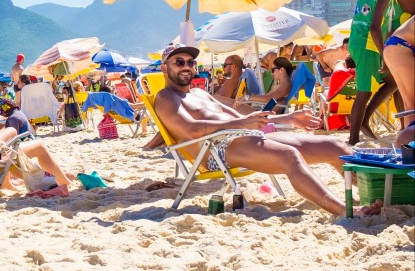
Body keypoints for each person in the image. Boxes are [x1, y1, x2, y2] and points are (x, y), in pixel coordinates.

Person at [154, 45, 379, 217]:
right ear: (165, 67)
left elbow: (241, 118)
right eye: (179, 61)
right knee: (289, 156)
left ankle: (377, 195)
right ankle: (345, 210)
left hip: (243, 137)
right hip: (216, 149)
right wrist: (241, 125)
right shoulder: (166, 97)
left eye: (191, 62)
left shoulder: (200, 93)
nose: (186, 66)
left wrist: (286, 117)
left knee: (335, 147)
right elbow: (191, 130)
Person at [348, 0, 414, 144]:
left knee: (393, 82)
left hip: (357, 43)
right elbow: (374, 27)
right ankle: (353, 138)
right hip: (367, 45)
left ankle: (364, 119)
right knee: (364, 92)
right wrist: (384, 53)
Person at [382, 16, 414, 134]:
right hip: (400, 47)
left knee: (410, 105)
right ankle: (410, 145)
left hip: (399, 46)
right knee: (411, 104)